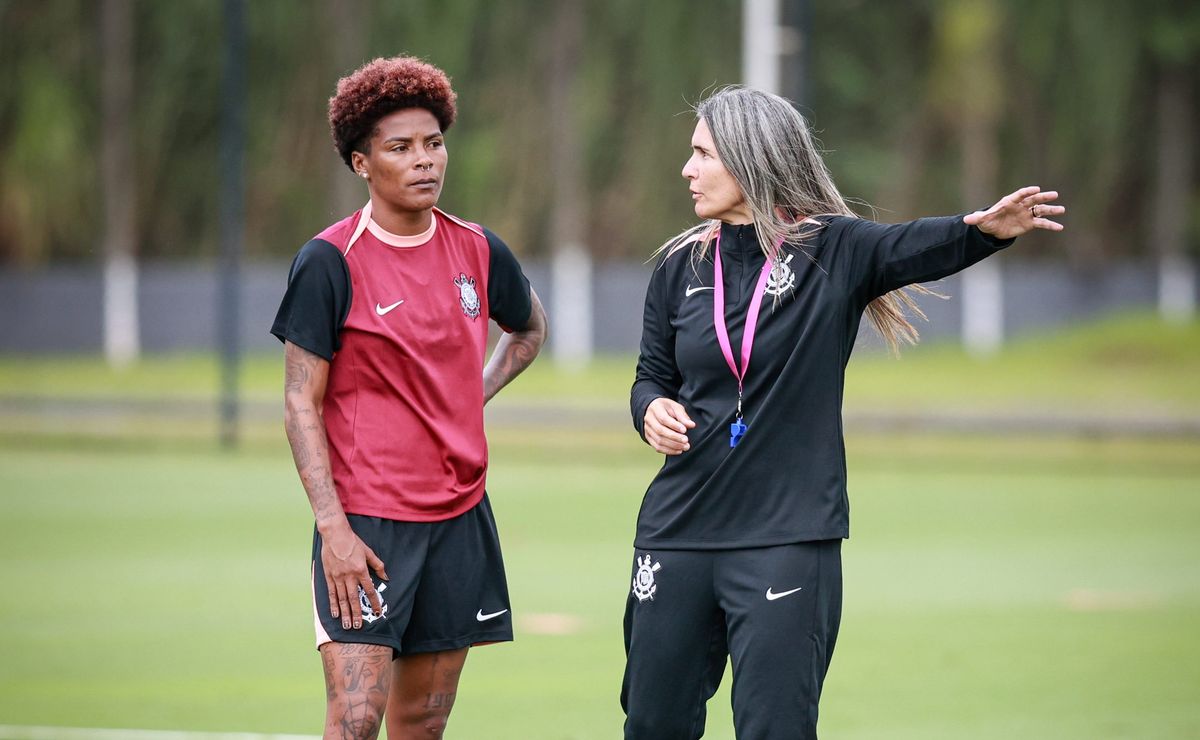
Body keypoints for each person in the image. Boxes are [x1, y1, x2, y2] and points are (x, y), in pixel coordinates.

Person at [622, 86, 1064, 739]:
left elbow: (909, 246)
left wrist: (982, 231)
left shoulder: (833, 251)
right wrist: (651, 408)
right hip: (676, 532)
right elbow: (650, 375)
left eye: (703, 155)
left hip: (785, 539)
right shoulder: (679, 265)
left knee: (776, 728)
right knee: (653, 725)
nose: (688, 170)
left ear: (751, 158)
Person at [271, 56, 547, 740]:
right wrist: (333, 530)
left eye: (433, 142)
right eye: (400, 148)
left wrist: (466, 400)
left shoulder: (479, 249)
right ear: (363, 164)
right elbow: (299, 402)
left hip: (459, 520)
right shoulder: (330, 260)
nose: (424, 160)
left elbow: (529, 329)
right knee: (357, 720)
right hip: (366, 527)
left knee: (421, 724)